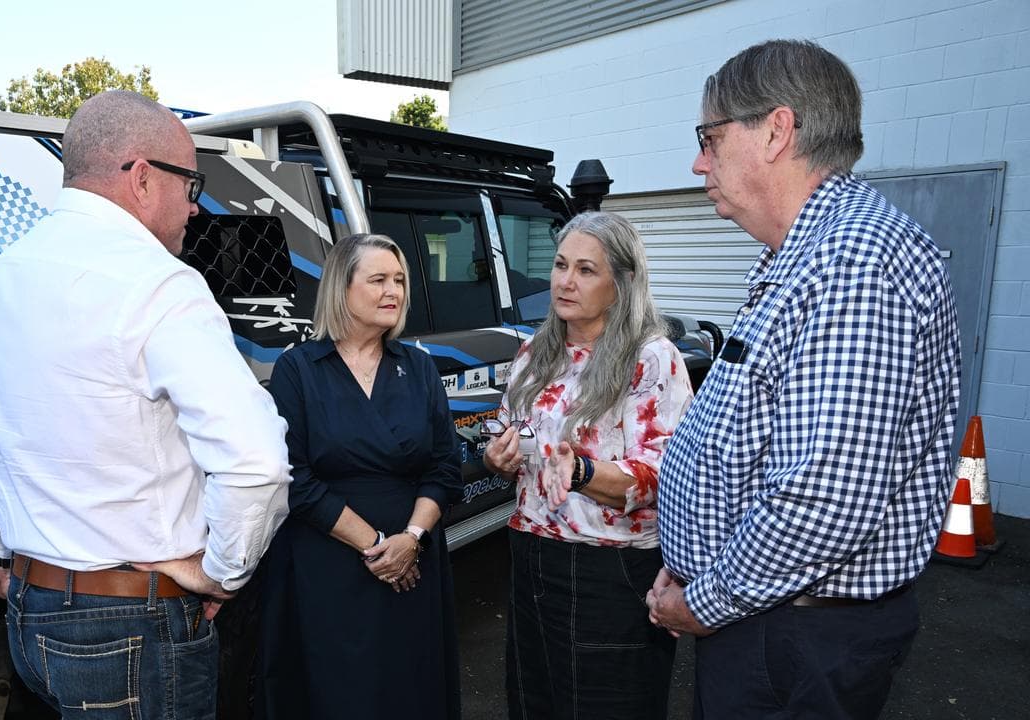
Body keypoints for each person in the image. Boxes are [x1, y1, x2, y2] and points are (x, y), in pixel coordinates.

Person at [0, 90, 291, 719]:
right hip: (134, 625)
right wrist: (222, 574)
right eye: (191, 184)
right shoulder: (158, 283)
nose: (195, 207)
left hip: (29, 613)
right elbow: (256, 463)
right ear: (140, 177)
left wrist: (6, 556)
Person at [649, 39, 962, 719]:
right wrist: (691, 559)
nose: (699, 160)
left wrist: (702, 599)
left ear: (776, 131)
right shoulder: (804, 257)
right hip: (768, 616)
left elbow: (823, 499)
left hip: (792, 638)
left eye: (709, 136)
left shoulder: (855, 262)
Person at [483, 211, 694, 720]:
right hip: (532, 553)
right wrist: (500, 458)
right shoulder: (536, 351)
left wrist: (581, 472)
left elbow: (667, 471)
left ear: (620, 284)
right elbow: (511, 434)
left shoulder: (651, 357)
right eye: (559, 265)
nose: (565, 281)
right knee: (536, 699)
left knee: (606, 703)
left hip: (610, 568)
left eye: (585, 270)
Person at [255, 233, 463, 720]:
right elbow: (294, 476)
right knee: (334, 692)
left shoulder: (419, 367)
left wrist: (411, 538)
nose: (394, 290)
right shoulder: (298, 369)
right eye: (378, 280)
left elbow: (445, 466)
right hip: (326, 563)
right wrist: (377, 545)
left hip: (413, 565)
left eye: (400, 280)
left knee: (409, 689)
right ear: (341, 289)